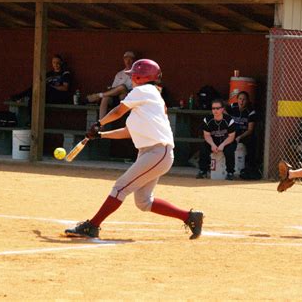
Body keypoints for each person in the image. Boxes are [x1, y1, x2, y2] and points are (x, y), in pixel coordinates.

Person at [64, 59, 204, 240]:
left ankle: (92, 226)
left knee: (120, 188)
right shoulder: (147, 101)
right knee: (144, 202)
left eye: (134, 75)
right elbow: (128, 132)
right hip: (152, 154)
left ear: (141, 76)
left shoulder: (143, 91)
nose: (132, 79)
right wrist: (101, 135)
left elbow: (117, 112)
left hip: (157, 152)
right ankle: (190, 217)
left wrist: (99, 123)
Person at [86, 51, 135, 119]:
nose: (128, 61)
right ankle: (101, 123)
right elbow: (113, 89)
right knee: (106, 98)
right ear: (124, 60)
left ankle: (99, 95)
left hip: (128, 97)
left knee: (122, 87)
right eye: (126, 58)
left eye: (130, 59)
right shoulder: (119, 74)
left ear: (134, 60)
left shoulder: (136, 73)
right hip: (117, 98)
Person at [196, 99, 237, 181]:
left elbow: (231, 136)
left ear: (222, 109)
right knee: (203, 147)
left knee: (229, 150)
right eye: (213, 108)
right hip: (213, 141)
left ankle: (230, 172)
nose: (215, 110)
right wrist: (212, 144)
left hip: (226, 141)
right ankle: (203, 171)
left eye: (217, 108)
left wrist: (222, 145)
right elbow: (207, 135)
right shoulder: (207, 120)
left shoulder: (229, 120)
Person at [227, 91, 257, 171]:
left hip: (244, 134)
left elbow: (250, 130)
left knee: (251, 141)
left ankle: (249, 167)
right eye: (240, 99)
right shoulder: (233, 106)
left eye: (244, 99)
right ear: (237, 100)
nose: (242, 101)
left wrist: (239, 137)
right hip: (232, 133)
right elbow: (222, 110)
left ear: (247, 101)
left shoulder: (251, 111)